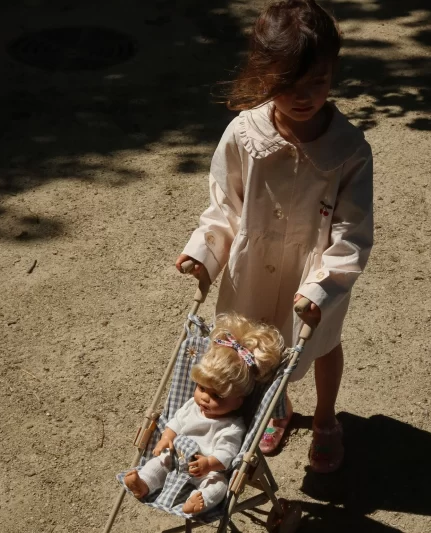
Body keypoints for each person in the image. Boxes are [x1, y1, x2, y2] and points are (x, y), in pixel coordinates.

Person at [176, 0, 373, 474]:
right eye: (288, 84)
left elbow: (351, 230)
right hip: (251, 271)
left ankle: (325, 420)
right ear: (264, 74)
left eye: (317, 82)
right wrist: (204, 252)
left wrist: (323, 288)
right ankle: (276, 406)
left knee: (321, 345)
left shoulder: (348, 149)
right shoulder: (244, 135)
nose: (304, 96)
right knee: (248, 349)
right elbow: (225, 206)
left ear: (333, 71)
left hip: (314, 275)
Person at [124, 313, 284, 514]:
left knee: (219, 486)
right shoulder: (192, 405)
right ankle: (143, 484)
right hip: (176, 458)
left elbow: (226, 454)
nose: (204, 398)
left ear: (238, 401)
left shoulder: (232, 426)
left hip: (206, 470)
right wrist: (166, 439)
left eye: (216, 395)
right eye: (201, 388)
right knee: (158, 462)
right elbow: (175, 422)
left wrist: (208, 464)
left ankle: (198, 500)